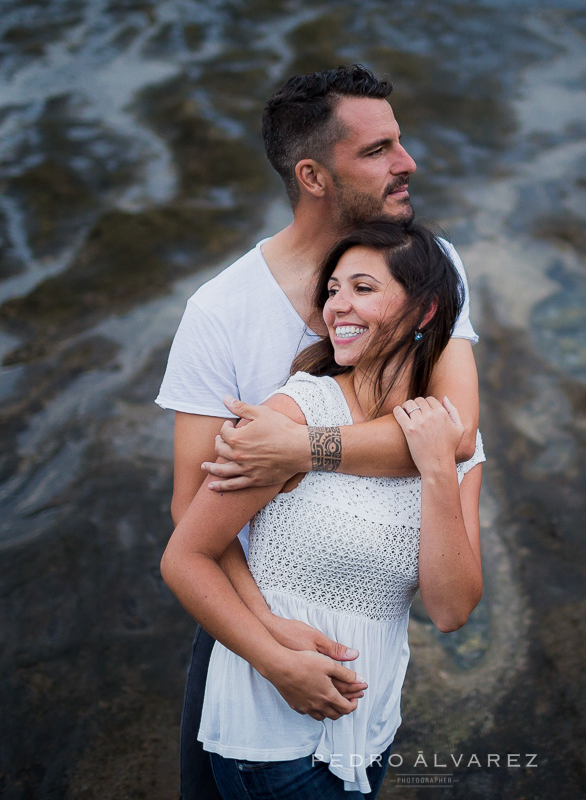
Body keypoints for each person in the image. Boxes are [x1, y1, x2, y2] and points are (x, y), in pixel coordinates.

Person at [155, 66, 480, 797]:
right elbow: (189, 512)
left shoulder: (431, 268)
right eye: (378, 150)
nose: (408, 163)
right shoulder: (221, 313)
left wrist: (303, 449)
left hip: (364, 628)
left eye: (400, 141)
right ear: (313, 175)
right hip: (242, 616)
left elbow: (455, 436)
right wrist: (268, 638)